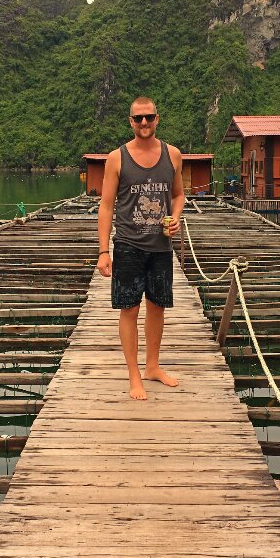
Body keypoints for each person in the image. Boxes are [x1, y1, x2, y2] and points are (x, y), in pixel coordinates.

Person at [97, 96, 185, 400]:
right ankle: (134, 375)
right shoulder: (117, 158)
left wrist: (176, 217)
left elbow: (178, 195)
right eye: (138, 118)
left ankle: (153, 367)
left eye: (149, 117)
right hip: (128, 244)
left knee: (157, 306)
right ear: (131, 121)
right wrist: (103, 251)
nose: (144, 122)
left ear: (157, 118)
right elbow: (106, 206)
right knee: (129, 308)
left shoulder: (172, 155)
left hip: (161, 246)